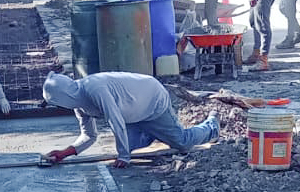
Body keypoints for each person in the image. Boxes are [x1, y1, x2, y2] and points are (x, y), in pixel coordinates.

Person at [42, 70, 219, 168]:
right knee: (129, 143)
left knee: (182, 143)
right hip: (134, 114)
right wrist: (64, 154)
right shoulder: (79, 106)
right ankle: (154, 133)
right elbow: (89, 135)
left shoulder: (94, 89)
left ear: (62, 98)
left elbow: (115, 121)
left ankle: (212, 125)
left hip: (152, 103)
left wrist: (124, 157)